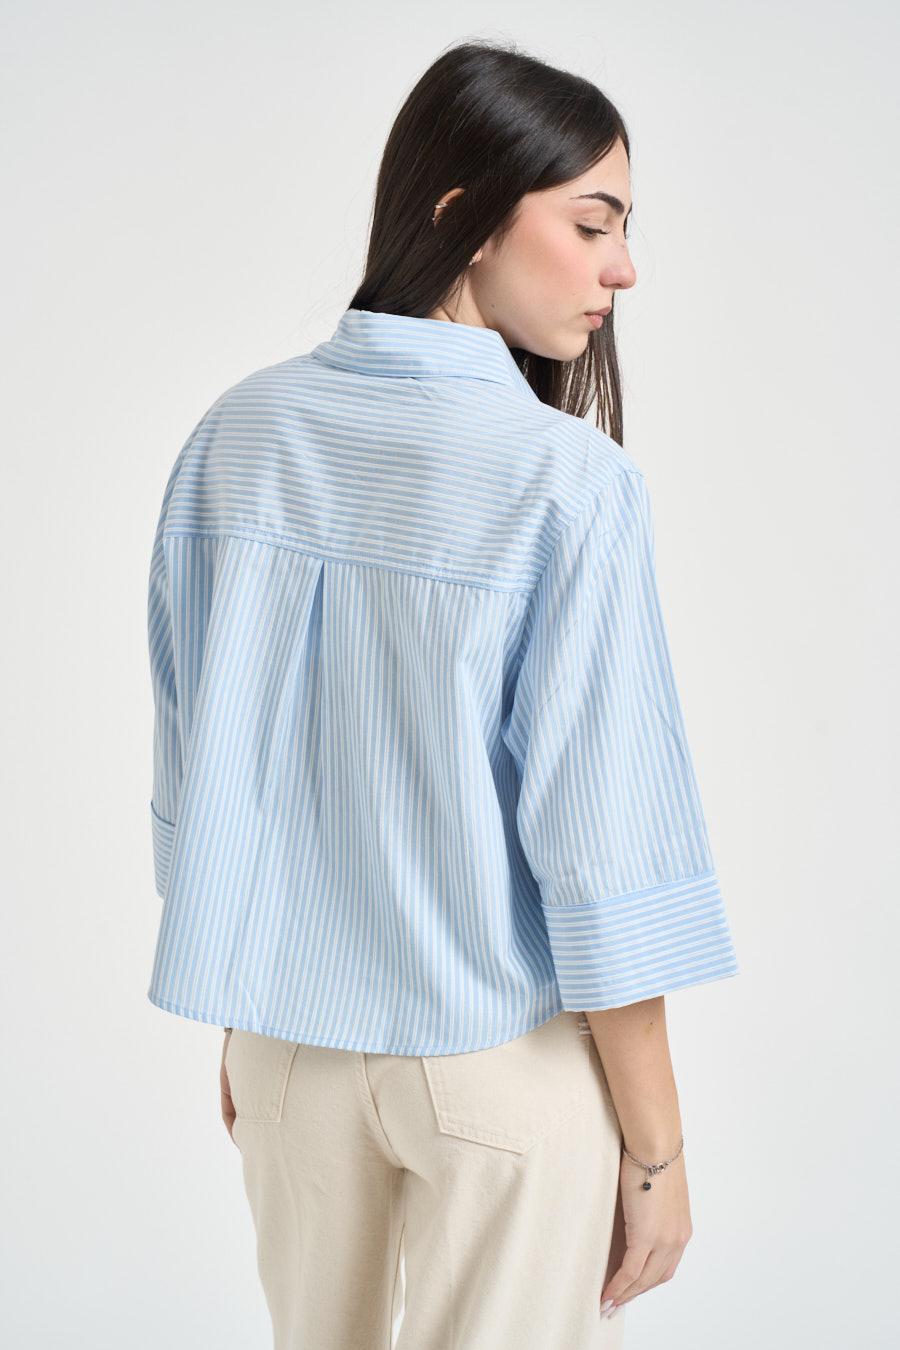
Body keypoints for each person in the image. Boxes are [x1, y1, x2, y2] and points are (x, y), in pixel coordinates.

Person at [146, 38, 739, 1350]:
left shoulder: (237, 432)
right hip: (497, 1059)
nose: (623, 269)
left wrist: (248, 1006)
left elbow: (199, 767)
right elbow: (603, 854)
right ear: (463, 213)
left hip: (283, 1055)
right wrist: (657, 1151)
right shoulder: (567, 482)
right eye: (592, 223)